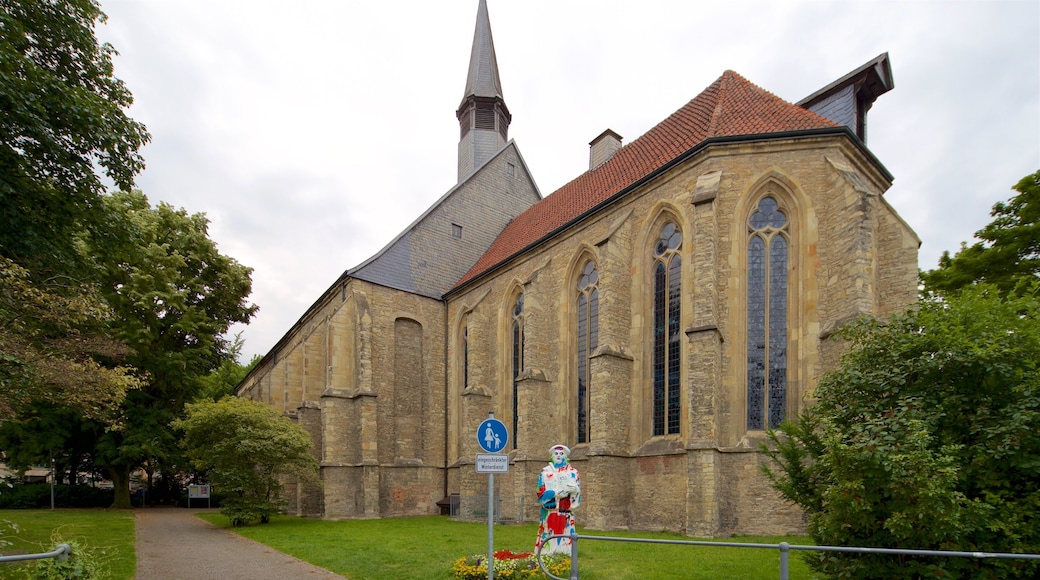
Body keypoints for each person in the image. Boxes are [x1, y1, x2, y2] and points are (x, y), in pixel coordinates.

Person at [536, 444, 581, 555]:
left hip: (566, 512)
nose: (559, 456)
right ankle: (546, 555)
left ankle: (565, 555)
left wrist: (575, 490)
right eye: (556, 454)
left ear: (566, 457)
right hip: (549, 512)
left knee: (565, 535)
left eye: (562, 454)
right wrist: (555, 494)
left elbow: (578, 491)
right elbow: (540, 494)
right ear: (552, 456)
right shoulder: (545, 473)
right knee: (548, 535)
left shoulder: (573, 473)